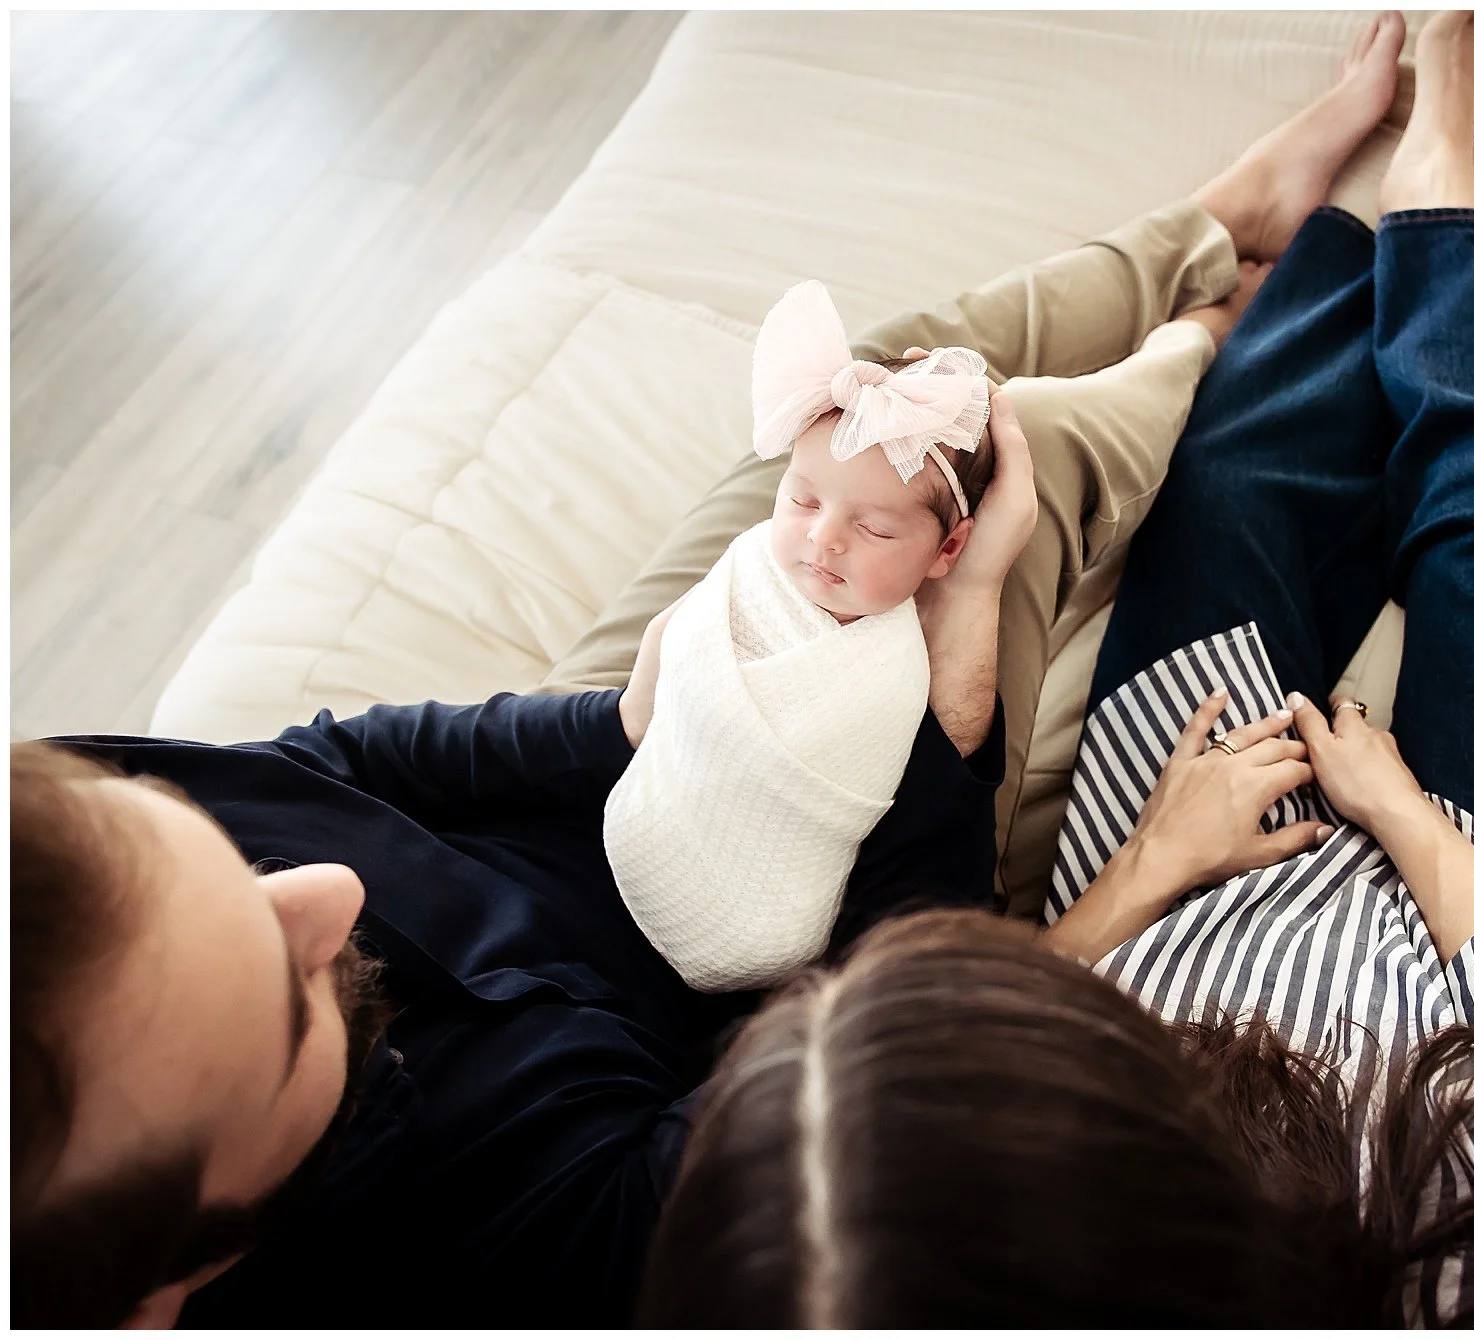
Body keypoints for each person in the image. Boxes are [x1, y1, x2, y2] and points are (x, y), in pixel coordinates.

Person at [8, 34, 1385, 1327]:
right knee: (1024, 460)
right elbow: (868, 1042)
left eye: (214, 855)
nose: (325, 891)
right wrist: (954, 665)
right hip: (815, 891)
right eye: (284, 999)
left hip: (629, 754)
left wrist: (628, 724)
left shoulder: (59, 858)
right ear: (159, 1304)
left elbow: (335, 768)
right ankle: (1210, 332)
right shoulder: (542, 1253)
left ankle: (1214, 219)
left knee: (858, 417)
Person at [636, 11, 1474, 1326]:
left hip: (1185, 874)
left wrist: (1155, 860)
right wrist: (1401, 815)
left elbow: (997, 994)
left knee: (1233, 477)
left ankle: (1316, 245)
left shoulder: (877, 1202)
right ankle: (1443, 206)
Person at [606, 277, 1262, 992]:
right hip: (736, 900)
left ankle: (1203, 238)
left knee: (865, 378)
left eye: (867, 528)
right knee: (1031, 438)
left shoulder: (805, 535)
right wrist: (973, 587)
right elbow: (912, 969)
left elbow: (488, 745)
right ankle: (1195, 327)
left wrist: (633, 703)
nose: (822, 541)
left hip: (588, 745)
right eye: (803, 501)